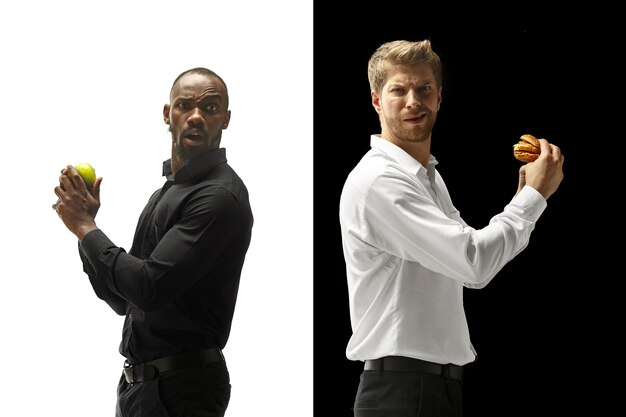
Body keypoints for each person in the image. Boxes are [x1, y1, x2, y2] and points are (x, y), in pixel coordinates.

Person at [338, 39, 564, 416]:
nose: (413, 100)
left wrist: (526, 195)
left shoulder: (425, 177)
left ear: (439, 97)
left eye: (424, 88)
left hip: (432, 389)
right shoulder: (380, 181)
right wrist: (533, 198)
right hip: (402, 392)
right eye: (398, 90)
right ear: (377, 100)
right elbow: (473, 261)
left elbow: (471, 274)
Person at [53, 67, 253, 417]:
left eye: (209, 108)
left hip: (183, 391)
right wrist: (86, 229)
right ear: (167, 113)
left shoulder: (218, 198)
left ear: (226, 119)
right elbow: (123, 298)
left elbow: (148, 288)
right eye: (184, 105)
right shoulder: (167, 192)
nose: (195, 116)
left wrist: (86, 227)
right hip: (140, 389)